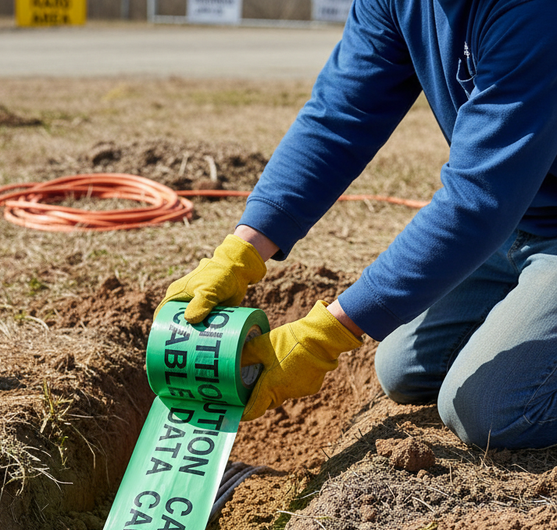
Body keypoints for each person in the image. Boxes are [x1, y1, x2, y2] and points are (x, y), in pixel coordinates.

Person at [155, 0, 557, 450]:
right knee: (402, 369)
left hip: (515, 215)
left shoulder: (535, 12)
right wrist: (241, 252)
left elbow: (480, 197)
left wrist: (329, 332)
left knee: (492, 412)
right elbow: (339, 119)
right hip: (519, 222)